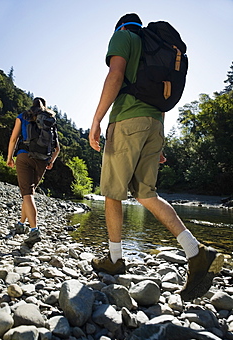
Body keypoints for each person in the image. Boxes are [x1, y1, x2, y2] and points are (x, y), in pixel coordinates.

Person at [89, 13, 224, 301]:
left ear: (121, 26)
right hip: (154, 124)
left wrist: (97, 119)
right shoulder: (158, 49)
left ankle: (114, 259)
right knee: (146, 193)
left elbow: (115, 74)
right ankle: (196, 252)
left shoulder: (124, 36)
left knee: (113, 192)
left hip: (127, 121)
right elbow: (163, 99)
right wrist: (158, 140)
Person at [7, 97, 60, 246]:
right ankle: (20, 224)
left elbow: (13, 139)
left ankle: (34, 230)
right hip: (42, 160)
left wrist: (9, 157)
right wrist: (51, 161)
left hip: (24, 155)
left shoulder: (23, 116)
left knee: (27, 194)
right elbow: (57, 148)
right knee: (28, 193)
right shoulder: (50, 121)